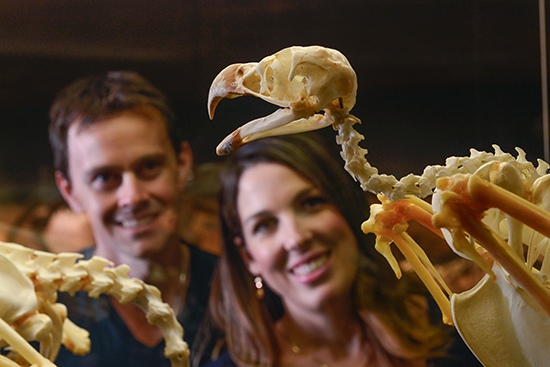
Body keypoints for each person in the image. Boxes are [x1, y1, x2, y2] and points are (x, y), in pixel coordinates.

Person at [202, 132, 483, 367]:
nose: (296, 238)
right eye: (264, 225)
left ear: (349, 211)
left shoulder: (450, 331)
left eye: (310, 203)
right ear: (248, 255)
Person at [48, 71, 217, 367]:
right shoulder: (45, 310)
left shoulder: (236, 293)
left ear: (182, 164)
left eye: (149, 166)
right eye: (105, 178)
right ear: (70, 191)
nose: (133, 196)